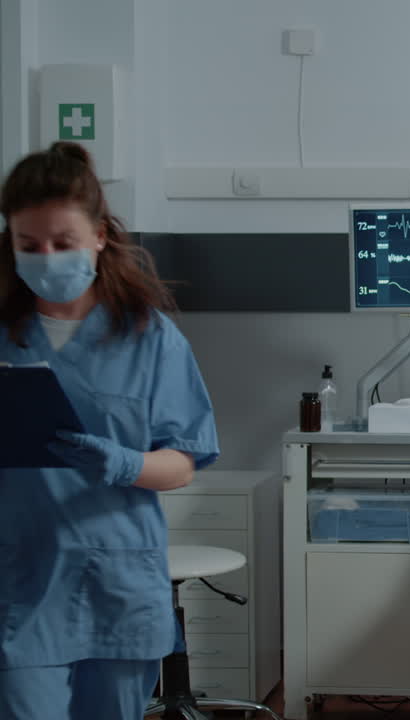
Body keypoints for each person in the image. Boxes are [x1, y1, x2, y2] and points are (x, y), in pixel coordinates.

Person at [0, 142, 219, 719]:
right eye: (29, 245)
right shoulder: (6, 333)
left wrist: (124, 463)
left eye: (62, 243)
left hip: (118, 579)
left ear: (99, 235)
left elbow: (183, 461)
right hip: (24, 580)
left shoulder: (151, 338)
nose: (46, 257)